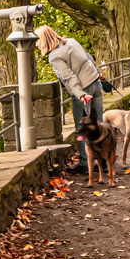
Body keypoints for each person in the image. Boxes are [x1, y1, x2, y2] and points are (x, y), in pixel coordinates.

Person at [36, 25, 104, 175]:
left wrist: (80, 94)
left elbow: (68, 76)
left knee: (82, 128)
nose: (36, 44)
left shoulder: (54, 56)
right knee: (99, 123)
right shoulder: (71, 41)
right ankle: (103, 161)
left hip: (84, 89)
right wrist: (99, 74)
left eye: (37, 41)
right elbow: (89, 58)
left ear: (44, 40)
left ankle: (86, 163)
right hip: (96, 83)